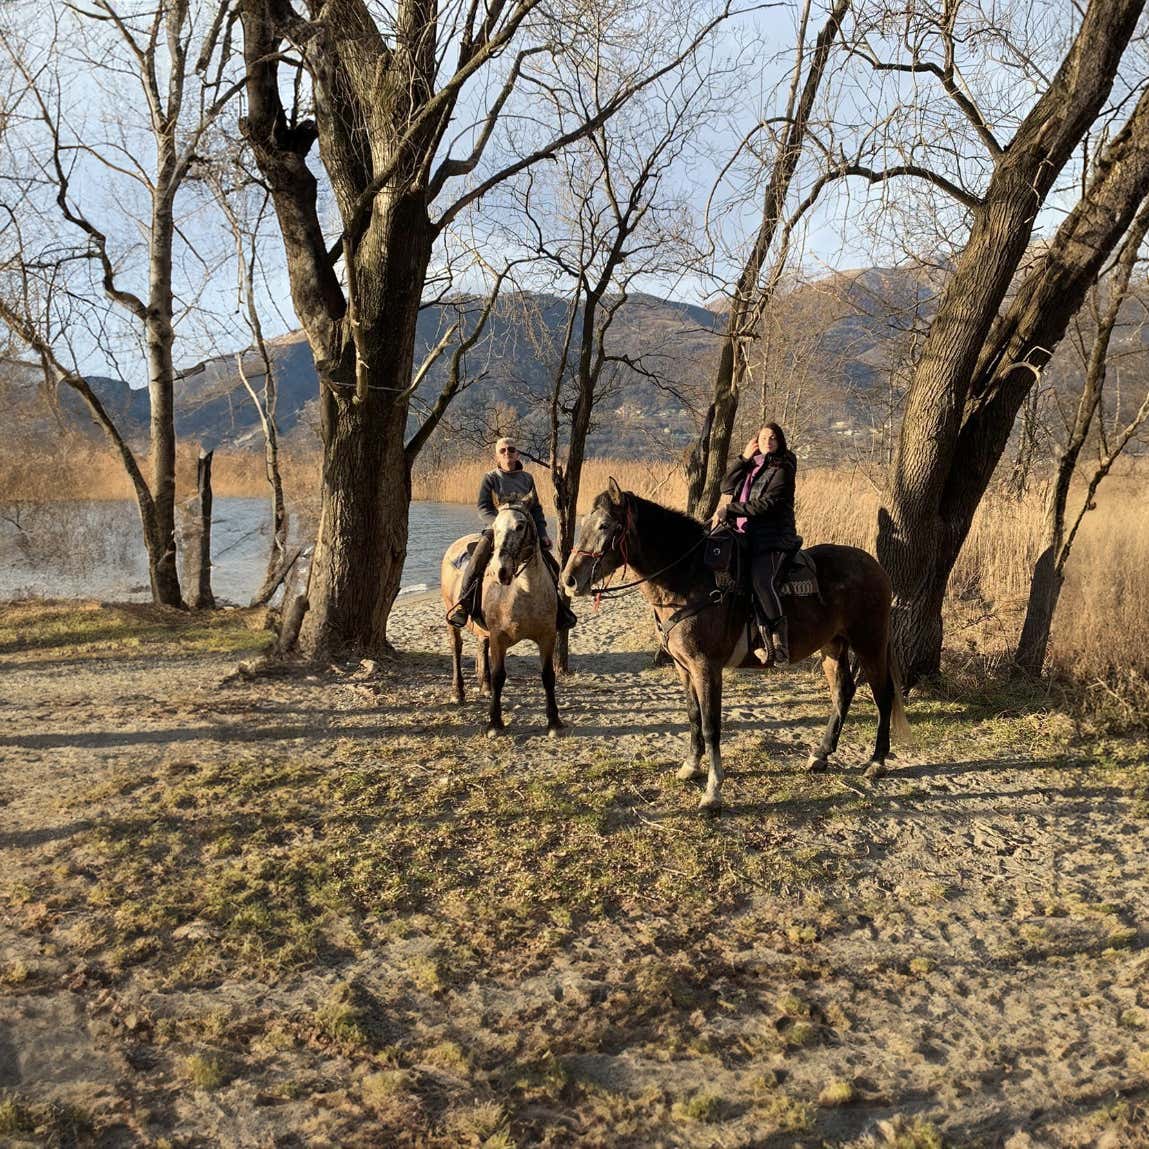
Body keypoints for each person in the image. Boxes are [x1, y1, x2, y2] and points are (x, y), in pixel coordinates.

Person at [447, 437, 577, 630]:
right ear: (497, 456)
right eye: (503, 450)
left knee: (551, 564)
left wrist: (542, 533)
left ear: (517, 454)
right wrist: (501, 523)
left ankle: (560, 609)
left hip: (524, 531)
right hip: (497, 529)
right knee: (477, 560)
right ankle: (463, 605)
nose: (507, 453)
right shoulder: (490, 478)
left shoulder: (527, 479)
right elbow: (483, 508)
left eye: (511, 449)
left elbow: (536, 509)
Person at [712, 422, 801, 664]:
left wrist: (731, 509)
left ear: (780, 441)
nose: (768, 441)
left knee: (761, 580)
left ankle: (778, 640)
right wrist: (742, 458)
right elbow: (726, 486)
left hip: (773, 537)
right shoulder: (752, 464)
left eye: (773, 437)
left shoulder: (784, 466)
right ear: (756, 441)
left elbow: (768, 503)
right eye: (763, 437)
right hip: (743, 535)